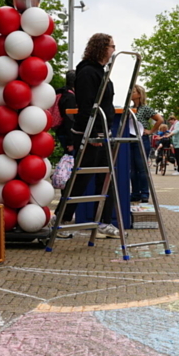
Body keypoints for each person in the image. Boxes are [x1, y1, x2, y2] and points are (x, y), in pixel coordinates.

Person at [64, 33, 121, 238]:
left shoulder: (101, 72)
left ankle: (104, 221)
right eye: (111, 46)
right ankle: (62, 219)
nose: (114, 50)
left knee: (106, 178)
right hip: (91, 134)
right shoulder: (88, 72)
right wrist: (94, 133)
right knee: (82, 178)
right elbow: (88, 105)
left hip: (101, 132)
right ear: (101, 48)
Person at [130, 85, 163, 203]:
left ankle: (144, 193)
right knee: (132, 169)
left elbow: (160, 119)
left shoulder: (145, 108)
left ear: (139, 94)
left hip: (142, 138)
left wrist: (151, 131)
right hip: (131, 138)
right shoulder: (130, 108)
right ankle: (135, 193)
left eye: (133, 91)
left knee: (141, 167)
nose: (131, 93)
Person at [55, 71, 78, 155]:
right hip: (67, 134)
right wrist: (70, 142)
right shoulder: (70, 97)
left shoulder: (62, 92)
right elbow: (69, 120)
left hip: (61, 130)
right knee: (71, 160)